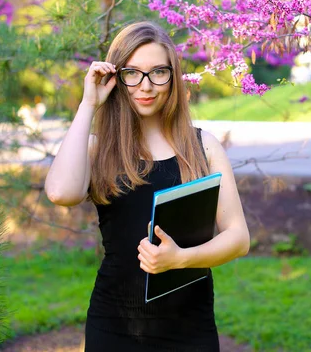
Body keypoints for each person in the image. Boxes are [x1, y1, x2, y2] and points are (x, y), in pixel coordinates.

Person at [44, 21, 250, 351]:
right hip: (114, 325)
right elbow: (61, 193)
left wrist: (180, 259)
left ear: (173, 76)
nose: (146, 86)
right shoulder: (99, 147)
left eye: (158, 72)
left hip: (189, 327)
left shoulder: (203, 146)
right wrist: (88, 105)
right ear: (117, 77)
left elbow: (238, 239)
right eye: (133, 73)